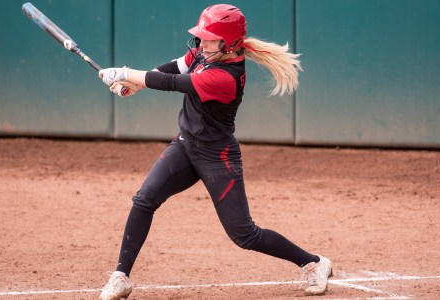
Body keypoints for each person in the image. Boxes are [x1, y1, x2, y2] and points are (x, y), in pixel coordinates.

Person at [97, 4, 332, 300]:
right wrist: (136, 84)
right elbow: (175, 67)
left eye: (209, 38)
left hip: (216, 156)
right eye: (202, 37)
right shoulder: (206, 52)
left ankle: (313, 262)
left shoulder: (226, 77)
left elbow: (174, 83)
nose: (201, 43)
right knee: (144, 199)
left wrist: (127, 73)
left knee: (244, 234)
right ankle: (121, 276)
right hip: (184, 145)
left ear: (230, 43)